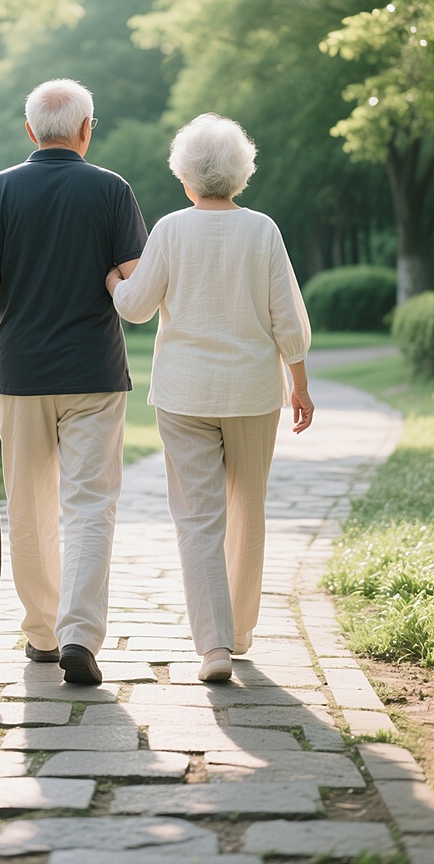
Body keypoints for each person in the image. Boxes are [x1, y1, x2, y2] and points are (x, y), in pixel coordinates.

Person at [106, 113, 313, 683]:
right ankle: (240, 631)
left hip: (184, 392)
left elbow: (137, 306)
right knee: (249, 508)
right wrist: (299, 382)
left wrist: (112, 283)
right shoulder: (263, 230)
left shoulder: (171, 229)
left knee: (197, 519)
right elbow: (286, 317)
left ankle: (214, 646)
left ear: (185, 175)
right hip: (253, 390)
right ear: (241, 173)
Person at [0, 78, 147, 685]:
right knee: (90, 505)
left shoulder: (2, 188)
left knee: (30, 504)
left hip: (23, 372)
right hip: (94, 372)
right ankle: (80, 634)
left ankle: (41, 631)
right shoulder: (112, 189)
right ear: (87, 129)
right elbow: (135, 280)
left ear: (31, 130)